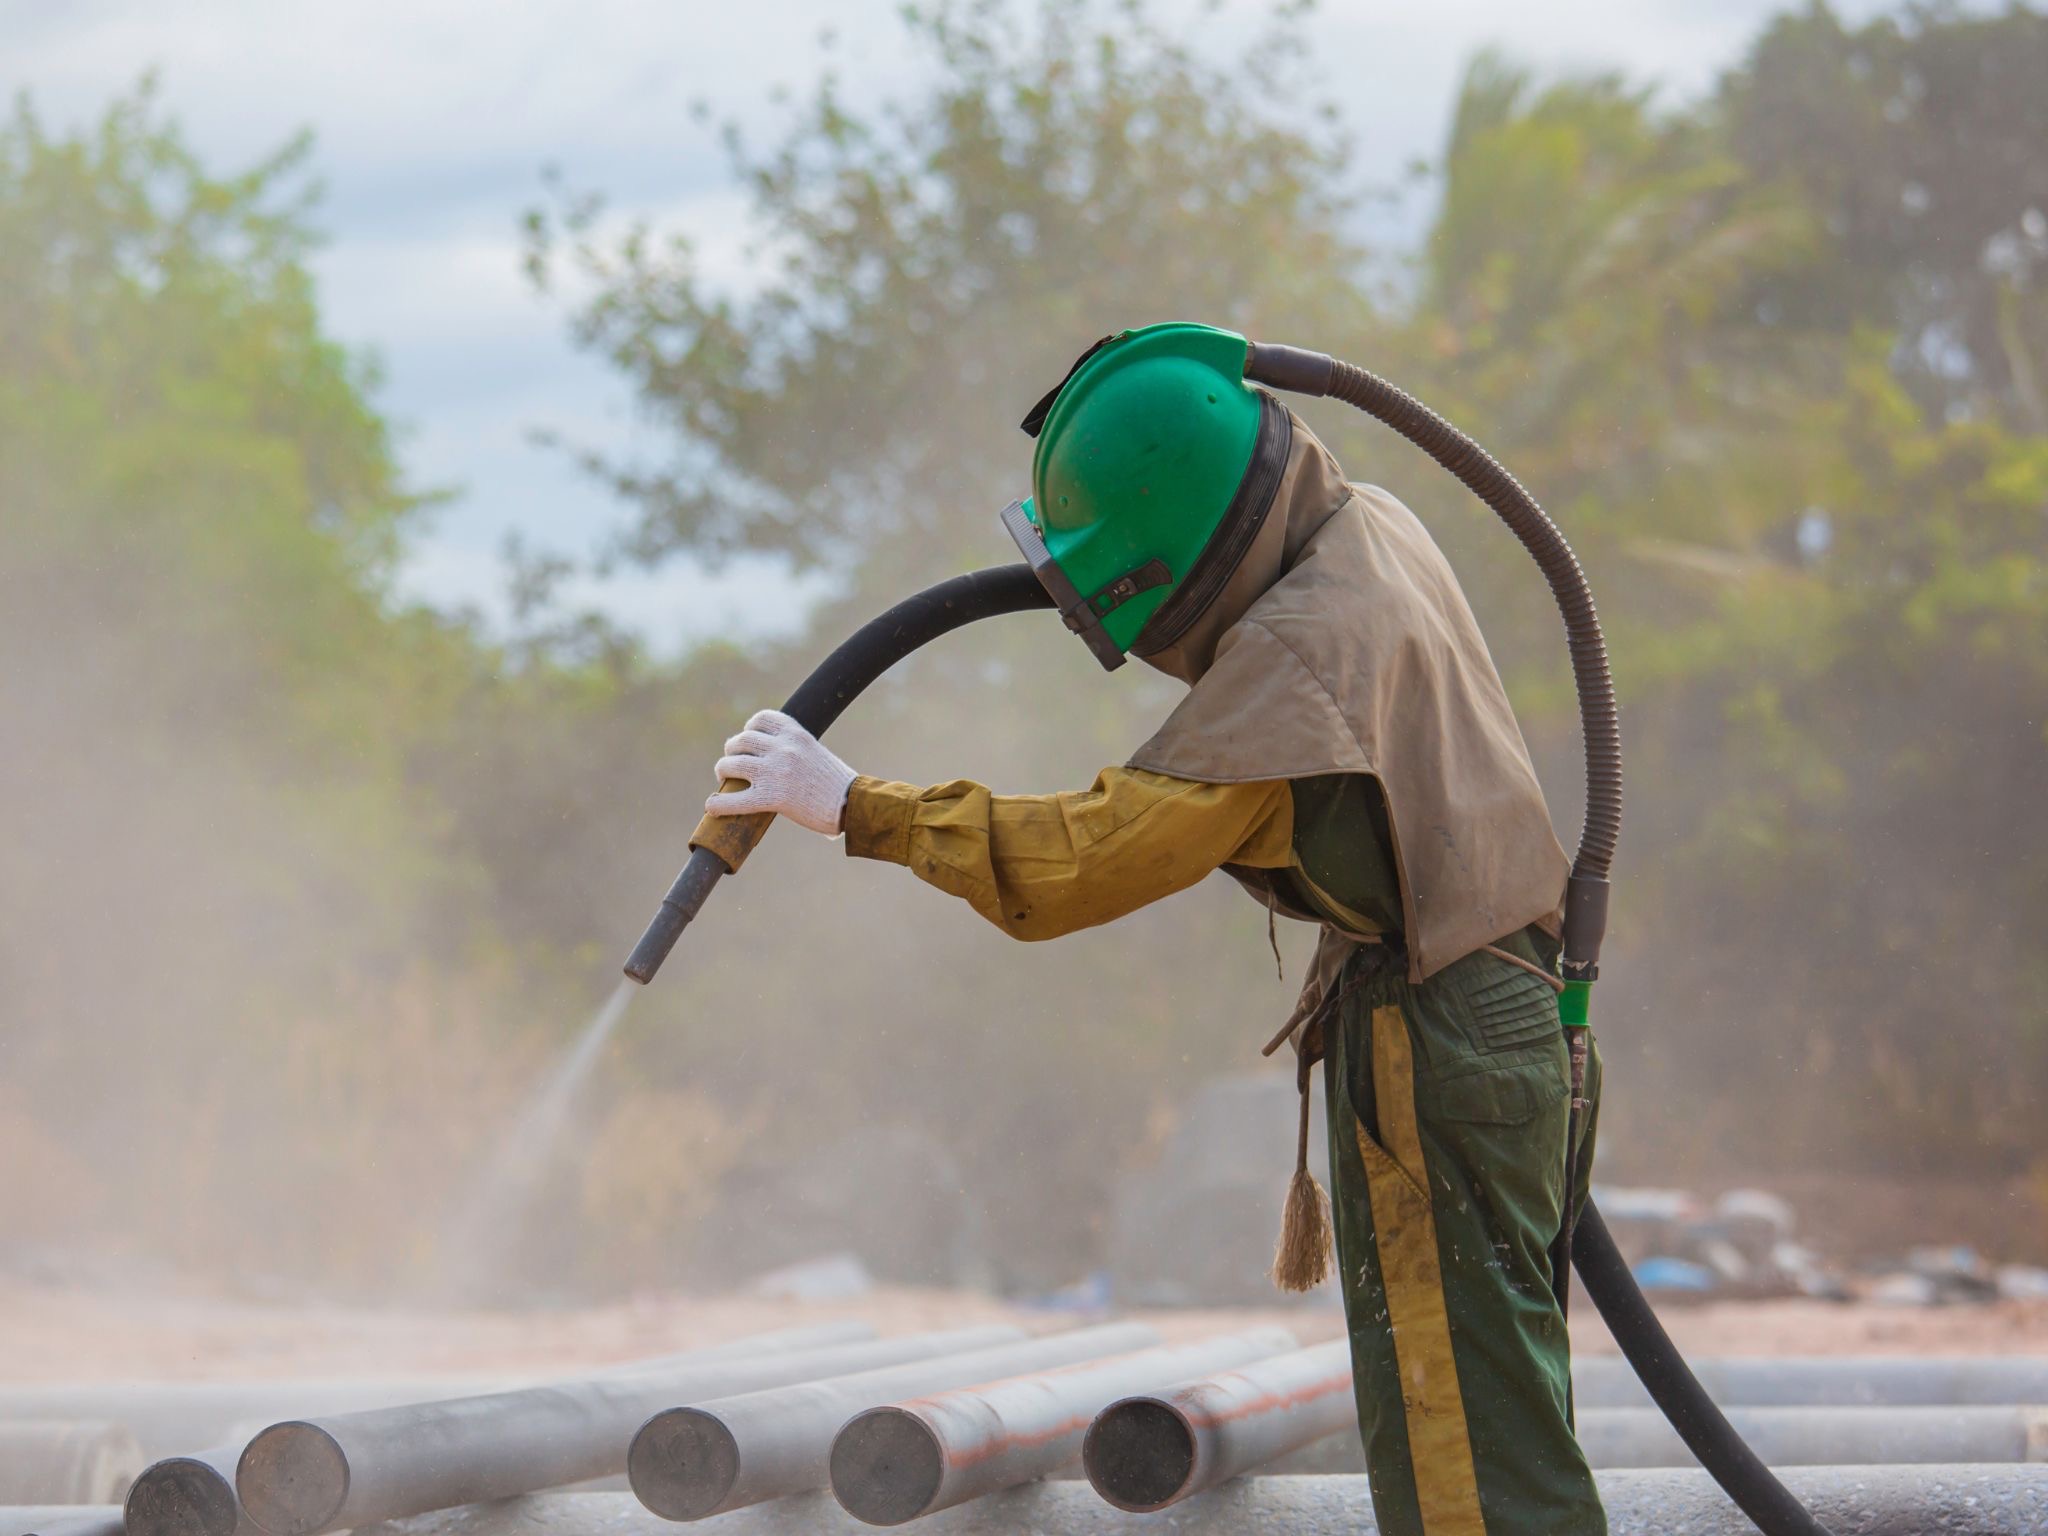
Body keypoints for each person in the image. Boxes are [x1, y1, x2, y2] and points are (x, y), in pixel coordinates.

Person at [701, 323, 1606, 1536]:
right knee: (1495, 1420)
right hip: (1512, 1009)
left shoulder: (1292, 661)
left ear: (1178, 553)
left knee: (1463, 1469)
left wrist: (855, 805)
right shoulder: (1364, 527)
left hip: (1440, 1044)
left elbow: (1089, 860)